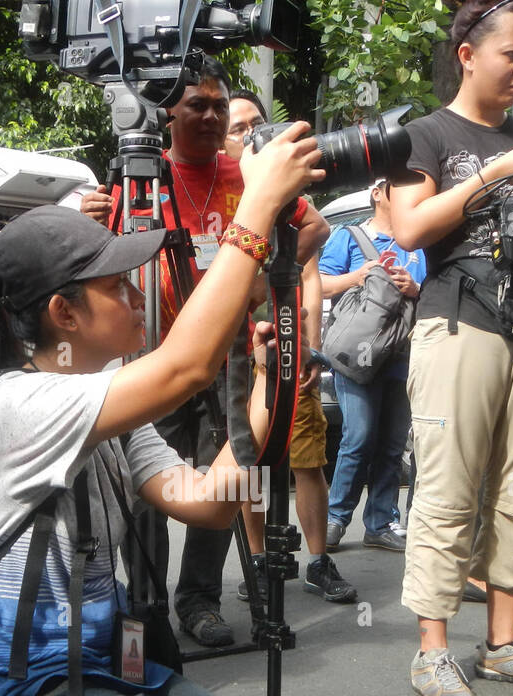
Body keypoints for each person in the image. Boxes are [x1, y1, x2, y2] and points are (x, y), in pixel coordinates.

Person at [0, 122, 318, 696]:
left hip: (111, 660)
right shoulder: (20, 405)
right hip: (29, 690)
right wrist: (254, 209)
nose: (136, 292)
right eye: (115, 285)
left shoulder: (101, 400)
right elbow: (183, 364)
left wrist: (261, 384)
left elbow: (209, 500)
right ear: (63, 314)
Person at [80, 61, 331, 644]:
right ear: (167, 113)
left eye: (220, 105)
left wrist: (257, 278)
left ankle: (200, 602)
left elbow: (312, 228)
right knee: (149, 482)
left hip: (232, 357)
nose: (214, 116)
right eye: (198, 105)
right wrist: (93, 221)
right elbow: (103, 261)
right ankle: (145, 606)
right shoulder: (140, 178)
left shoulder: (247, 173)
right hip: (155, 356)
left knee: (233, 477)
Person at [390, 0, 513, 696]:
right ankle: (434, 650)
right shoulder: (426, 134)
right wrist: (496, 173)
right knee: (448, 488)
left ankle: (503, 643)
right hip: (459, 323)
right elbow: (409, 227)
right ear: (469, 53)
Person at [223, 89, 356, 605]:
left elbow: (313, 259)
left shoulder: (287, 194)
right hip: (237, 353)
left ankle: (318, 562)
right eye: (240, 128)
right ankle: (257, 560)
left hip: (286, 344)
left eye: (258, 122)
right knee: (247, 459)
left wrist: (311, 346)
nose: (253, 134)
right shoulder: (218, 188)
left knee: (307, 456)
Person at [318, 177, 424, 554]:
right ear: (378, 193)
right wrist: (358, 276)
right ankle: (335, 518)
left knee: (393, 445)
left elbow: (436, 294)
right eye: (398, 186)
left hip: (401, 355)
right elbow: (319, 284)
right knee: (358, 438)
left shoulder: (418, 242)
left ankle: (380, 522)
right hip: (358, 358)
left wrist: (415, 288)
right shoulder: (349, 237)